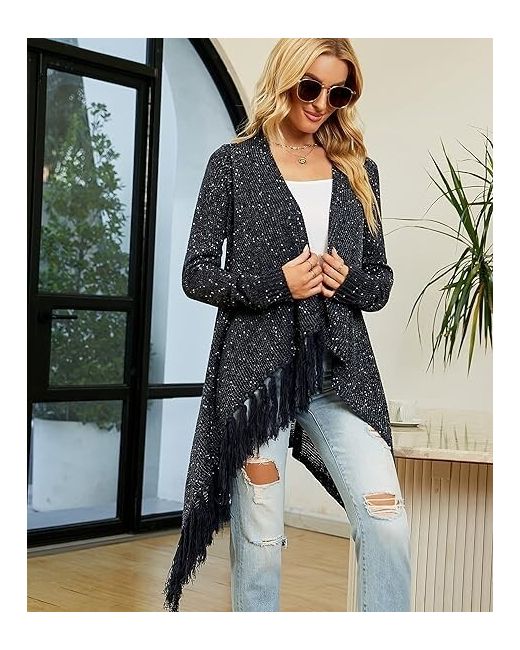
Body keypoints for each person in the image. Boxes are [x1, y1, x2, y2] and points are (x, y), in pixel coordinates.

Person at [163, 38, 411, 613]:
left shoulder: (358, 170)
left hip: (339, 373)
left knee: (387, 522)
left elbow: (379, 283)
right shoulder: (233, 164)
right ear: (284, 79)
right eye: (311, 87)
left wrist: (346, 281)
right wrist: (278, 283)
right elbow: (197, 274)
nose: (322, 103)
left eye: (339, 93)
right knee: (262, 541)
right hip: (257, 378)